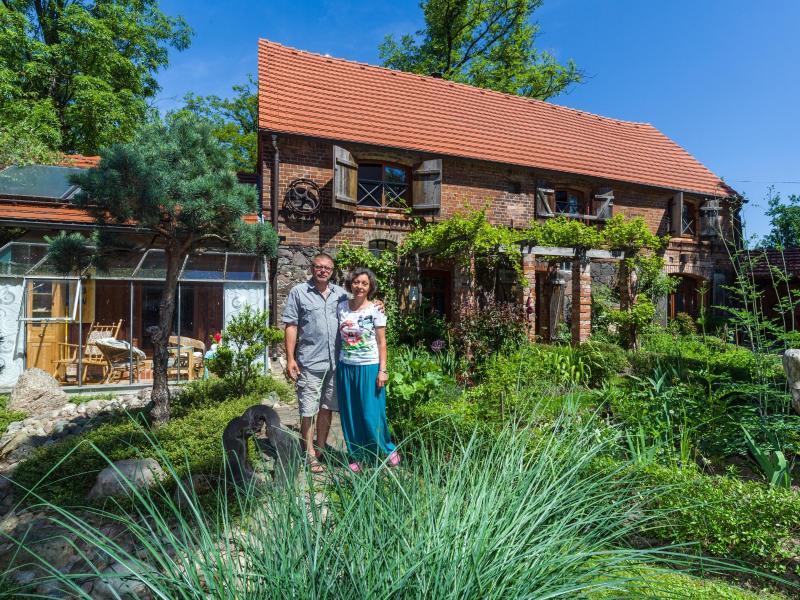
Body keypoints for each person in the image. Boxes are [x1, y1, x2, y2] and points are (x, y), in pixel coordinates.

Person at [282, 252, 346, 473]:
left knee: (327, 407)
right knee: (308, 408)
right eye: (319, 267)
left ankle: (320, 449)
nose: (323, 271)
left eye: (327, 268)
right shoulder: (299, 293)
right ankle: (309, 454)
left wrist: (378, 302)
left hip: (335, 363)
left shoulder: (341, 294)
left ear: (332, 270)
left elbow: (361, 303)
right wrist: (290, 358)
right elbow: (291, 325)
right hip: (309, 361)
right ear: (312, 268)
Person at [336, 267, 399, 472]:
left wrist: (383, 370)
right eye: (356, 282)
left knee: (372, 414)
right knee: (351, 414)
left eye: (364, 283)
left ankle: (388, 449)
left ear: (370, 286)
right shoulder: (341, 307)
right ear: (350, 284)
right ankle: (357, 455)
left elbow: (382, 343)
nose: (360, 286)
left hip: (369, 367)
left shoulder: (376, 309)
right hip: (346, 367)